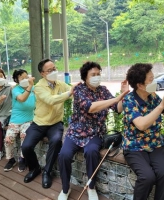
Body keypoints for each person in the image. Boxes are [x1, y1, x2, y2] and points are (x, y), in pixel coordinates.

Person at [58, 61, 129, 200]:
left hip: (95, 133)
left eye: (98, 74)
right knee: (64, 155)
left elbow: (118, 109)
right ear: (85, 77)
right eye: (93, 74)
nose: (97, 76)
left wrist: (122, 94)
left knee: (91, 152)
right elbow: (90, 107)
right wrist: (115, 99)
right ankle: (65, 189)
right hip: (76, 132)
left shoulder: (103, 90)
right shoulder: (79, 90)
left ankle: (91, 187)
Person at [122, 63, 164, 200]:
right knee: (147, 177)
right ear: (140, 85)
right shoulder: (129, 100)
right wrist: (161, 105)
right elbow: (141, 125)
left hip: (155, 144)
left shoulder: (153, 97)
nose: (155, 82)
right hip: (134, 146)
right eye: (151, 79)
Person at [22, 58, 76, 188]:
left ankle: (47, 171)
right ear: (42, 73)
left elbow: (72, 92)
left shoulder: (60, 84)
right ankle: (35, 168)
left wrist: (77, 88)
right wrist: (69, 92)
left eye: (55, 69)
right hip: (39, 123)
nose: (54, 72)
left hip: (55, 123)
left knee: (57, 141)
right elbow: (50, 100)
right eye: (50, 70)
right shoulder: (39, 87)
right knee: (26, 147)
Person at [3, 69, 35, 172]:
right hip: (15, 120)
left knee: (24, 136)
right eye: (22, 78)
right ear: (17, 80)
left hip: (29, 119)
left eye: (27, 77)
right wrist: (30, 87)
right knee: (8, 138)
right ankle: (11, 159)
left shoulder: (34, 89)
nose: (26, 79)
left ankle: (22, 158)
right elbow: (22, 99)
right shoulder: (16, 90)